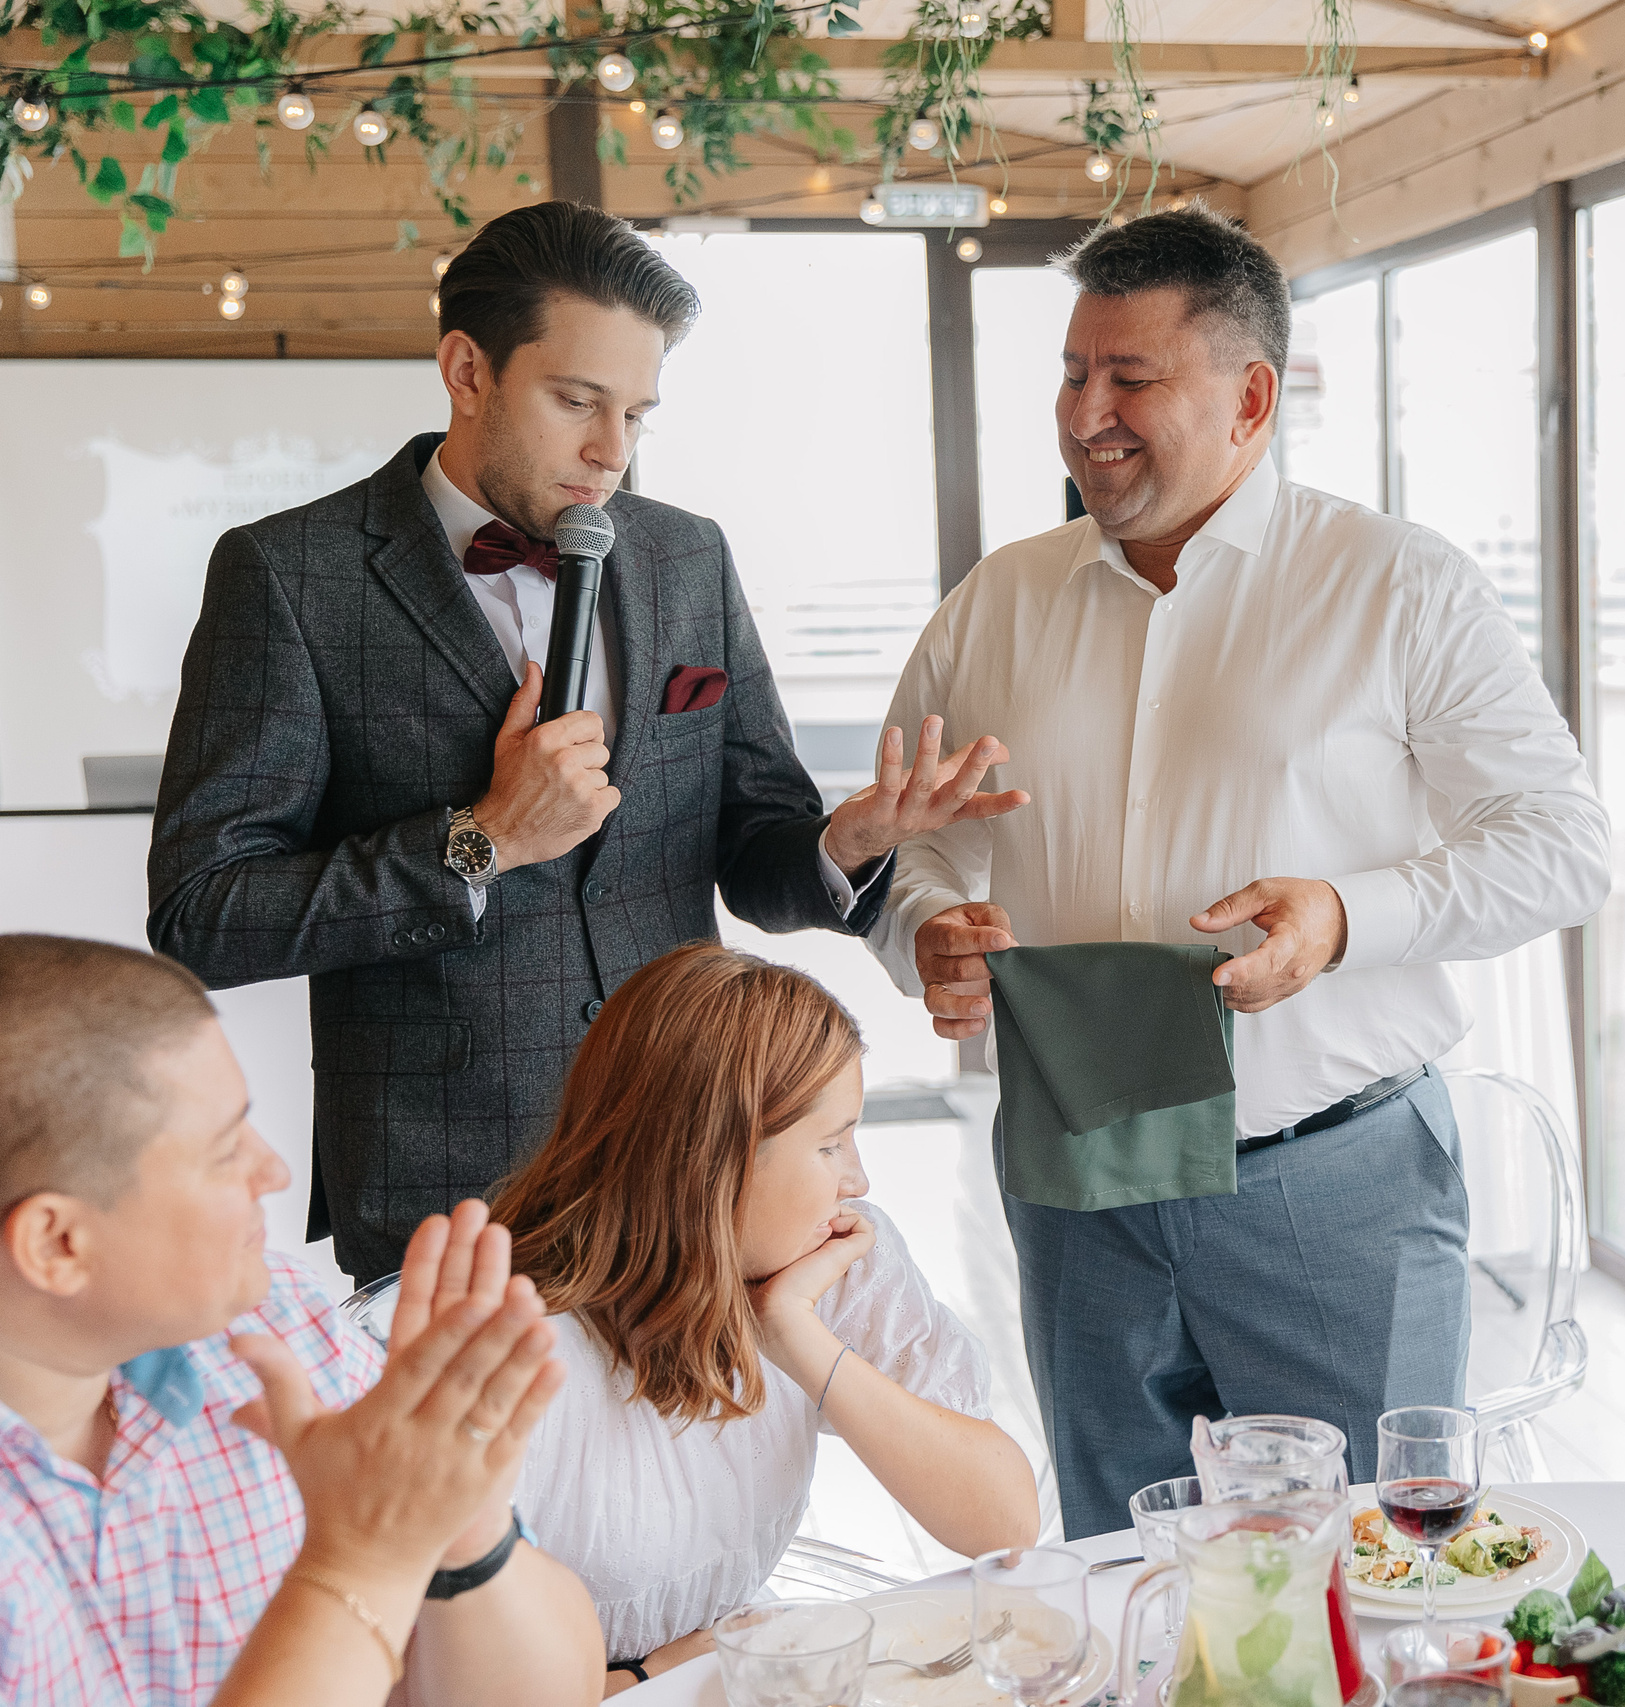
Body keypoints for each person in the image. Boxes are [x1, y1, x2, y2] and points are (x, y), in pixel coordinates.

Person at [869, 207, 1611, 1536]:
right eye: (1073, 372)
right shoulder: (995, 600)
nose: (1086, 411)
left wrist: (1342, 917)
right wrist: (926, 921)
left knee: (1367, 1560)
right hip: (1077, 1168)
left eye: (1132, 378)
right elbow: (913, 838)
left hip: (1334, 1185)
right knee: (1117, 1553)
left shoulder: (1398, 585)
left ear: (1250, 396)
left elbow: (1562, 847)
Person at [147, 199, 1027, 1284]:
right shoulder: (290, 577)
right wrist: (479, 840)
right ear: (467, 369)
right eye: (576, 402)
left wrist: (841, 843)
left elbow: (756, 846)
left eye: (638, 414)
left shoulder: (686, 558)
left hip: (699, 1163)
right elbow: (204, 915)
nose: (612, 452)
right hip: (455, 1201)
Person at [0, 933, 602, 1704]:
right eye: (224, 1151)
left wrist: (461, 1525)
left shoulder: (274, 1322)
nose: (276, 1170)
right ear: (57, 1243)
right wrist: (359, 1560)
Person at [488, 941, 1037, 1688]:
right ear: (712, 1160)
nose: (858, 1176)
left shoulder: (825, 1263)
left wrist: (798, 1336)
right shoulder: (518, 1346)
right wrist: (657, 1669)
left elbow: (1004, 1523)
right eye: (831, 1144)